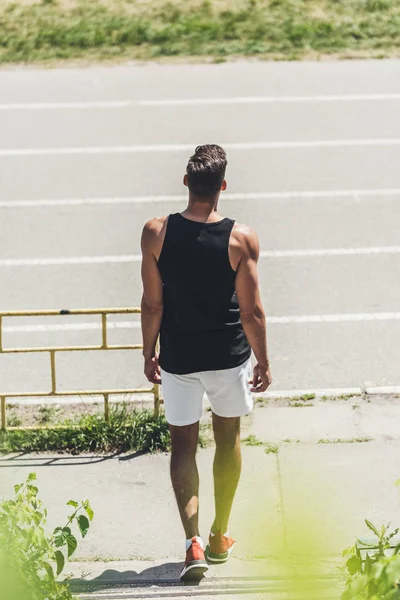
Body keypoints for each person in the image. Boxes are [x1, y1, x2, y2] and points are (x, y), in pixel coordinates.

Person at [140, 144, 272, 581]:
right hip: (227, 357)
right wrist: (264, 360)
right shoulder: (241, 238)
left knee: (183, 446)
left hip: (179, 358)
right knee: (227, 438)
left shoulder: (156, 233)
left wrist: (148, 352)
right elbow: (252, 312)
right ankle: (219, 534)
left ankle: (191, 543)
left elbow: (152, 304)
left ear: (186, 183)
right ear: (222, 186)